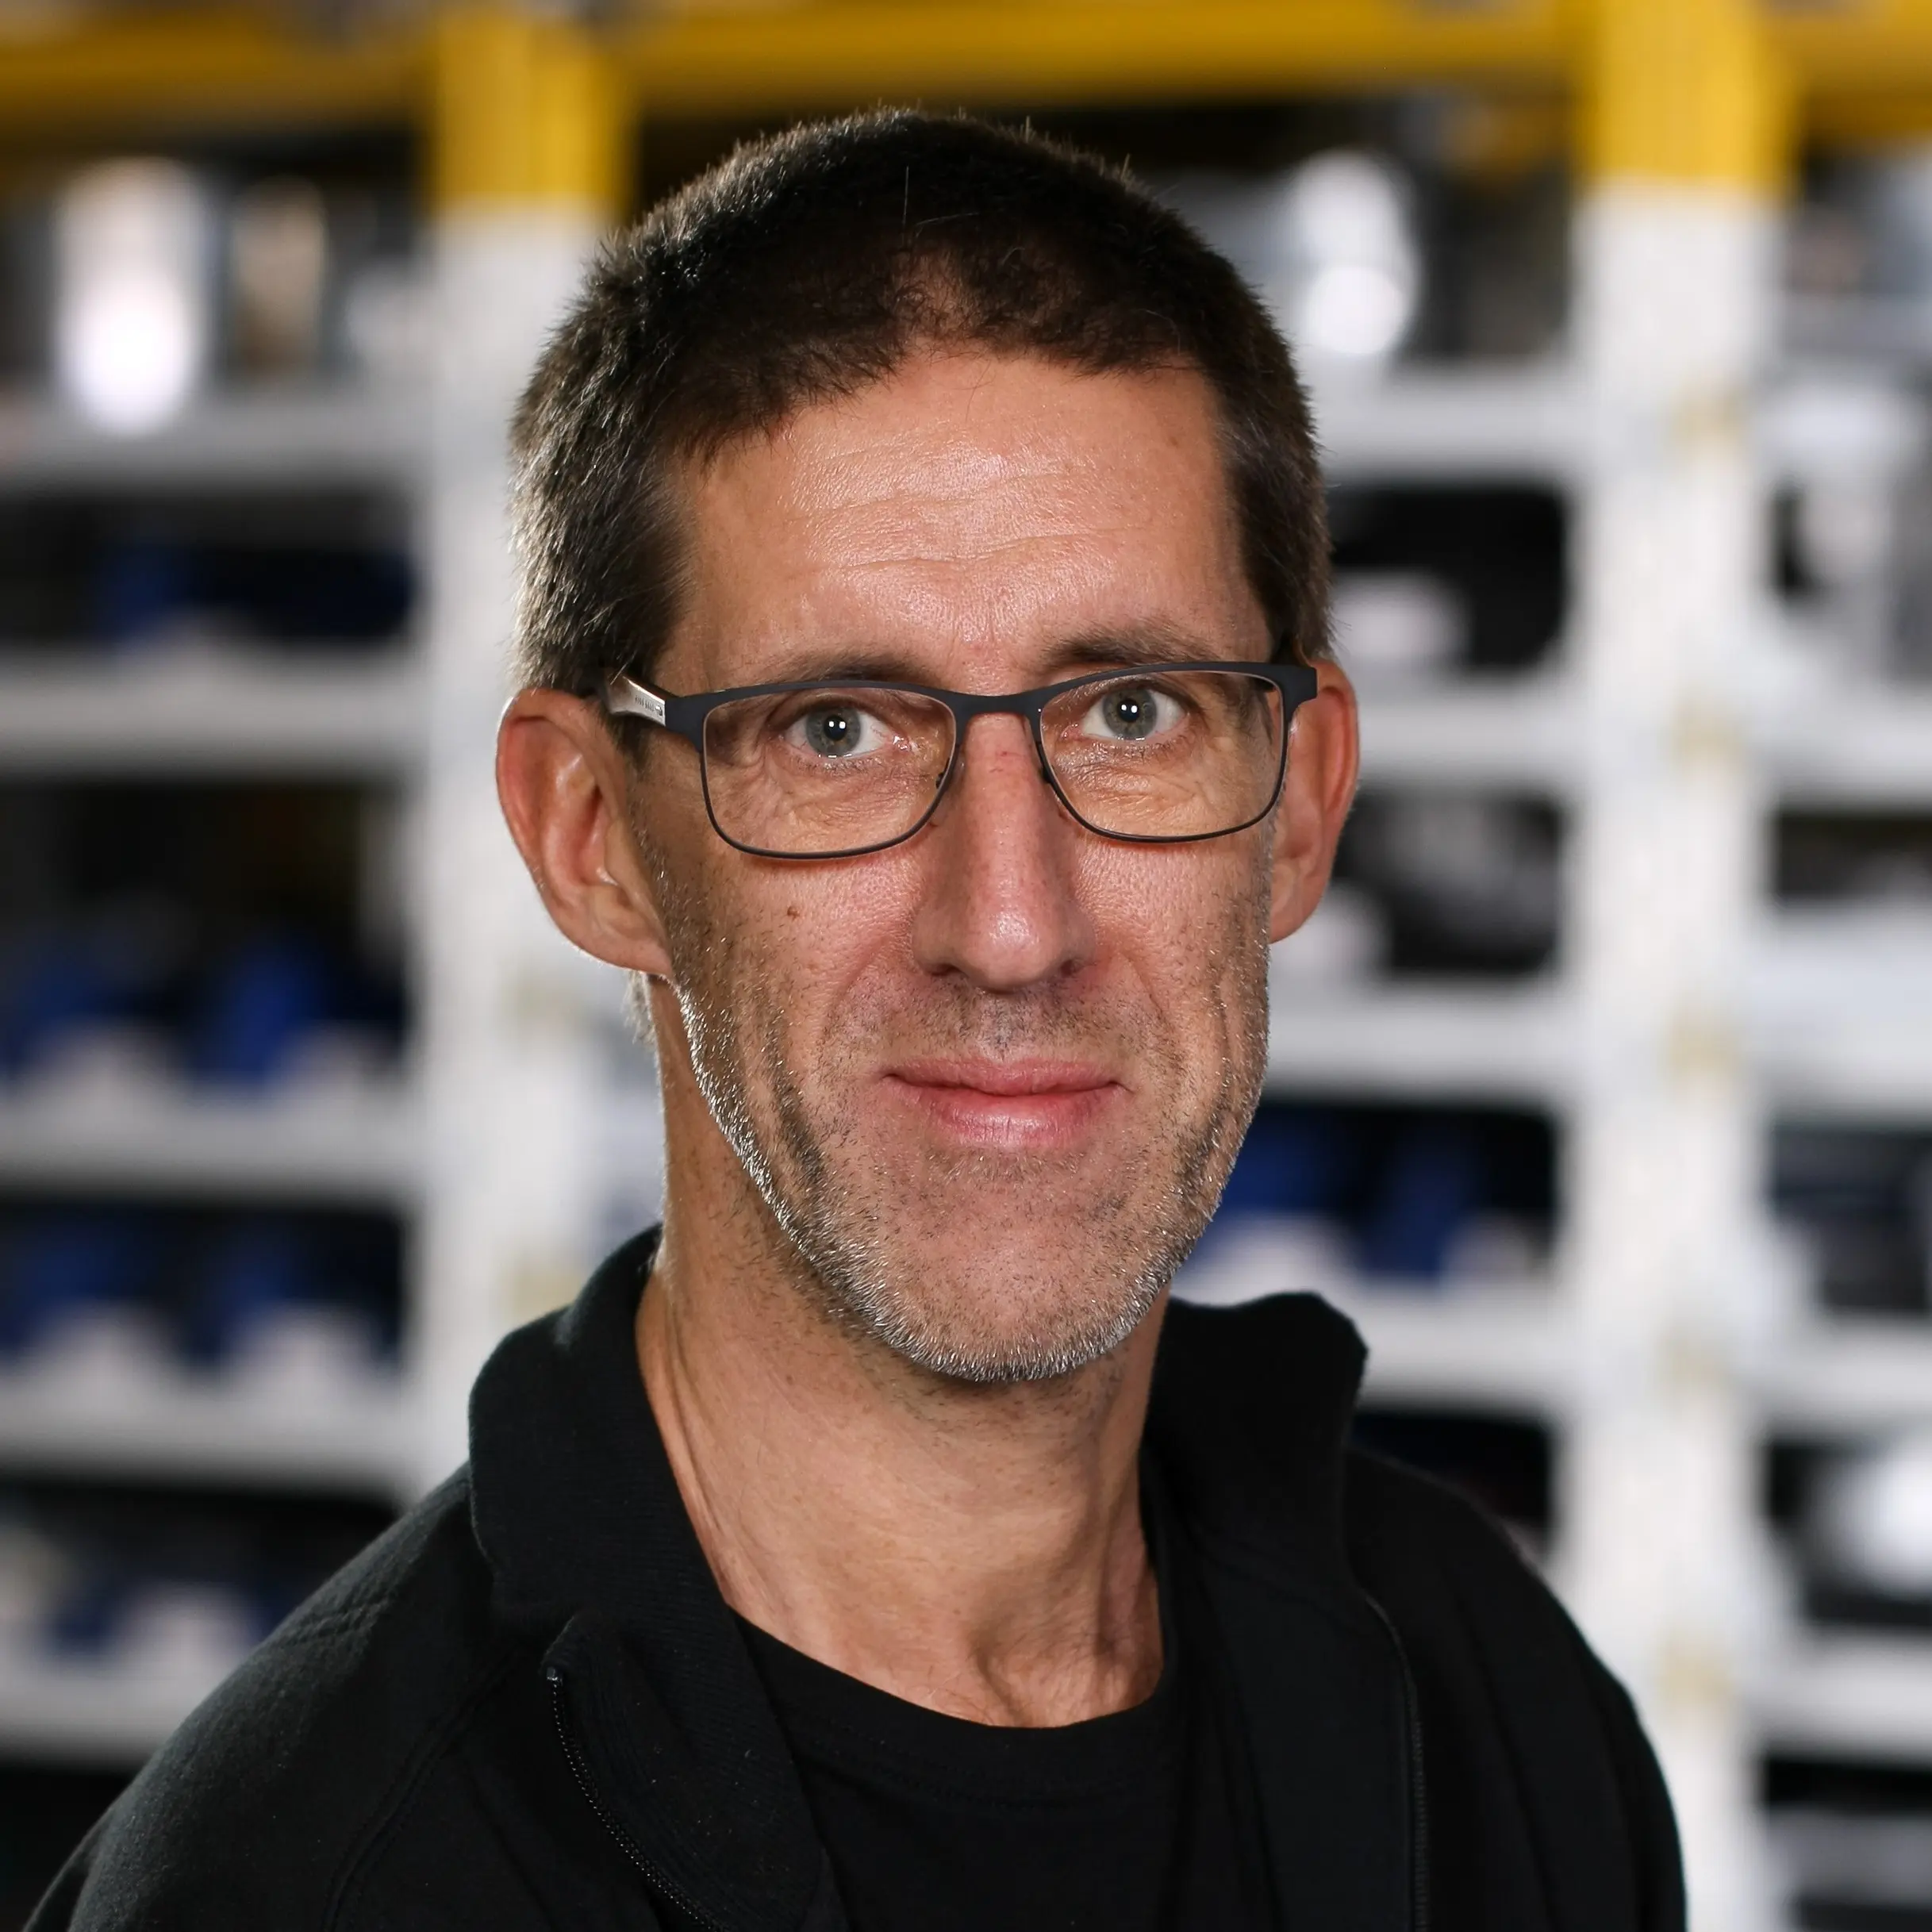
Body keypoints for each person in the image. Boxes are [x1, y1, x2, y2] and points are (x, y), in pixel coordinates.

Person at [32, 112, 1681, 1932]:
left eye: (1130, 712)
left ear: (1297, 804)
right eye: (836, 731)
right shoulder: (312, 1885)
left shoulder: (1490, 1708)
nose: (1011, 926)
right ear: (593, 839)